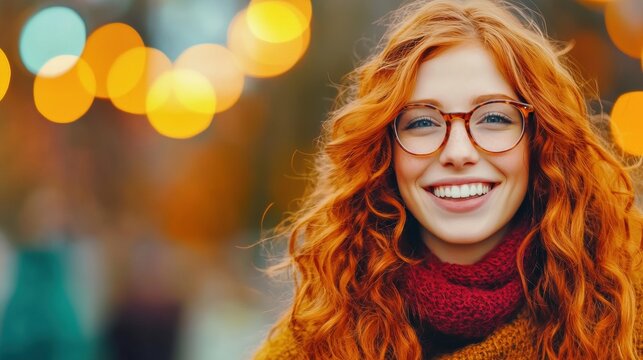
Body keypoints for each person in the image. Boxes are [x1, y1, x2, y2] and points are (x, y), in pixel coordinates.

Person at [253, 0, 643, 358]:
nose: (458, 152)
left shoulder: (627, 307)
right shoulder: (316, 341)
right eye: (423, 122)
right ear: (384, 150)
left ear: (539, 140)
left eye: (493, 117)